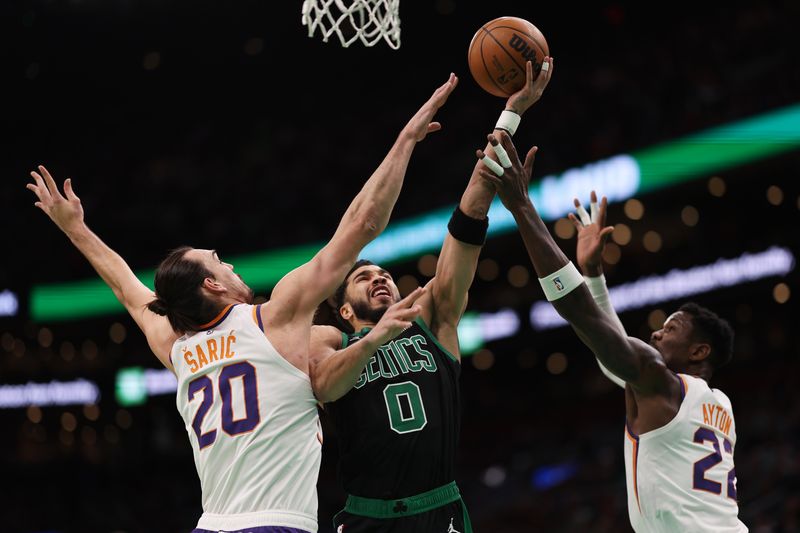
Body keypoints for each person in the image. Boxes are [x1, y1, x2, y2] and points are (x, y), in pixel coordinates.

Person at [25, 73, 457, 533]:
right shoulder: (276, 319)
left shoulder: (178, 347)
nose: (229, 263)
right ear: (212, 285)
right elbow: (364, 223)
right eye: (218, 260)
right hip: (275, 525)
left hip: (210, 525)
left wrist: (74, 228)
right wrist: (406, 139)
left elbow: (125, 288)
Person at [309, 58, 554, 532]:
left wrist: (512, 113)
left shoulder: (435, 321)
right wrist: (376, 338)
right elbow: (323, 386)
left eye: (384, 274)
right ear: (342, 308)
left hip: (439, 507)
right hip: (368, 515)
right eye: (364, 278)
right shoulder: (327, 340)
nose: (380, 279)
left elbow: (466, 226)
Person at [477, 130, 748, 532]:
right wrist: (593, 274)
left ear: (699, 352)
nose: (656, 335)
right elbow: (613, 355)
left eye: (670, 329)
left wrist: (521, 207)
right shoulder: (720, 406)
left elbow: (584, 317)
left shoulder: (660, 382)